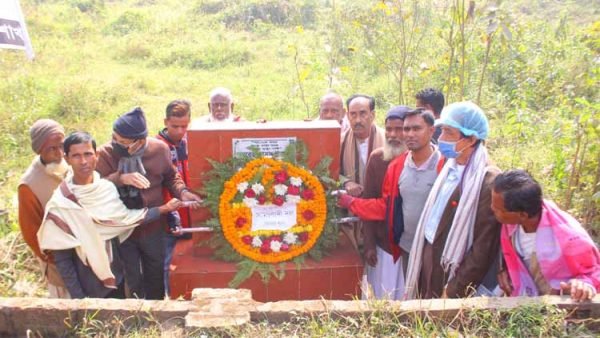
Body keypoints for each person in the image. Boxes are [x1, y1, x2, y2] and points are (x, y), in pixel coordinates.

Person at [37, 132, 182, 299]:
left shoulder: (106, 189)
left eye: (88, 154)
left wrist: (163, 209)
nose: (83, 161)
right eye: (76, 156)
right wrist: (79, 300)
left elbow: (127, 220)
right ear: (67, 159)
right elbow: (63, 260)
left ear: (96, 155)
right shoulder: (61, 203)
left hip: (116, 279)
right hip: (86, 285)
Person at [96, 107, 201, 299]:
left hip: (154, 225)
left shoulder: (159, 150)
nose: (117, 145)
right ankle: (134, 317)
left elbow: (171, 176)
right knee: (131, 276)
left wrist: (183, 192)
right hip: (122, 229)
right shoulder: (105, 154)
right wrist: (121, 178)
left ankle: (156, 313)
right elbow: (96, 187)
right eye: (115, 139)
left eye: (124, 143)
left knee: (155, 273)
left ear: (140, 141)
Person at [338, 108, 444, 299]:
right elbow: (382, 205)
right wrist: (369, 243)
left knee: (427, 297)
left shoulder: (444, 164)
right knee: (390, 298)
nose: (397, 135)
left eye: (412, 129)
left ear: (431, 130)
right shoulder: (389, 163)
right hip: (394, 246)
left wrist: (352, 203)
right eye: (390, 129)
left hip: (433, 248)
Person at [404, 101, 501, 299]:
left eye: (449, 133)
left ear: (471, 139)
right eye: (442, 132)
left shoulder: (486, 180)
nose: (442, 139)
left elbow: (483, 248)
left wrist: (454, 290)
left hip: (454, 266)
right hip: (431, 252)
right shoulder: (449, 166)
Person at [491, 170, 600, 301]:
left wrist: (583, 285)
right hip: (523, 295)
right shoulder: (511, 224)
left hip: (557, 306)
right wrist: (504, 269)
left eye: (498, 209)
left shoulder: (570, 237)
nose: (492, 208)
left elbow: (593, 273)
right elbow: (511, 254)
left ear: (522, 215)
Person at [18, 119, 69, 298]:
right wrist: (52, 257)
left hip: (81, 251)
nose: (59, 153)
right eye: (52, 149)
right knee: (65, 305)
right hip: (57, 259)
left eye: (62, 146)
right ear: (39, 150)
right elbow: (31, 232)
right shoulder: (29, 185)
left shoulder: (69, 164)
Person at [339, 94, 385, 251]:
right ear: (347, 116)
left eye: (363, 113)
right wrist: (346, 181)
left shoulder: (388, 141)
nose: (358, 120)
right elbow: (330, 173)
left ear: (373, 115)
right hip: (351, 216)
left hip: (381, 215)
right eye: (353, 114)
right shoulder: (340, 141)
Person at [156, 99, 193, 296]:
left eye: (184, 126)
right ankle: (168, 299)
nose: (179, 131)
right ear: (165, 122)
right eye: (174, 126)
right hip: (168, 212)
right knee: (167, 262)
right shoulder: (156, 147)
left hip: (192, 212)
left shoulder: (193, 141)